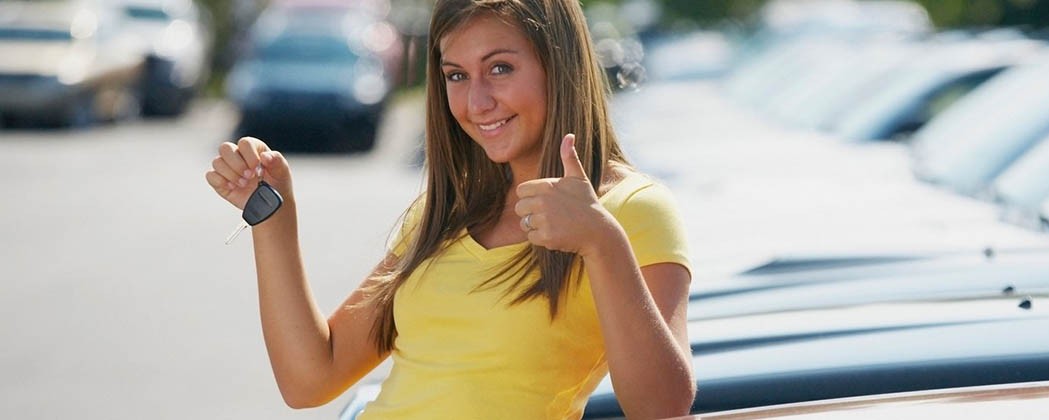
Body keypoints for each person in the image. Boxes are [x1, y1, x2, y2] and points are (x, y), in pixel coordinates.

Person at [202, 0, 695, 418]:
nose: (476, 101)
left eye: (500, 68)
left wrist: (601, 242)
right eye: (456, 75)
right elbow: (311, 379)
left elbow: (663, 407)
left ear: (560, 64)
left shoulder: (633, 209)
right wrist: (274, 219)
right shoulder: (446, 213)